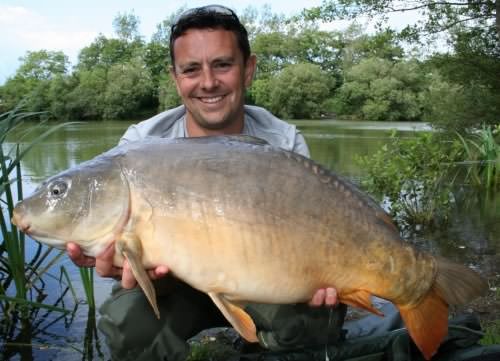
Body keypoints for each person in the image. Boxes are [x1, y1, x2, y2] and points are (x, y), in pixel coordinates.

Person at [67, 5, 346, 361]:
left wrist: (321, 276)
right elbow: (124, 250)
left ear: (248, 70)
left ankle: (258, 345)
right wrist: (129, 267)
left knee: (316, 320)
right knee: (127, 323)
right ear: (175, 77)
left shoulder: (283, 143)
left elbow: (316, 232)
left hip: (262, 278)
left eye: (223, 64)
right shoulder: (139, 146)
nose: (208, 82)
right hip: (176, 287)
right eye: (191, 69)